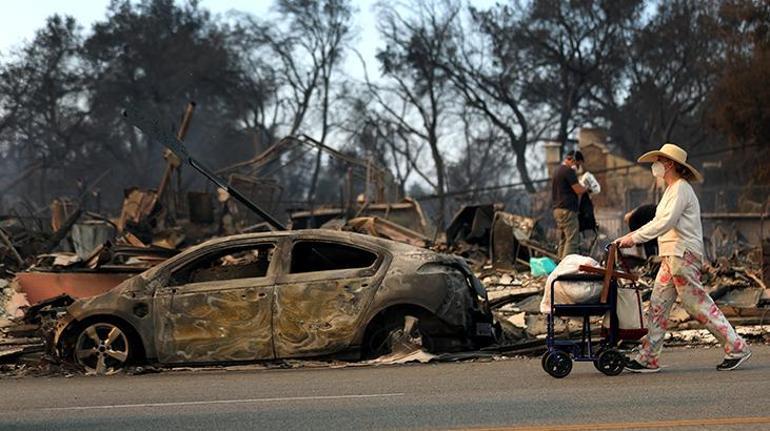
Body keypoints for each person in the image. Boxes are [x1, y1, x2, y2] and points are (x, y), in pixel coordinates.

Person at [615, 143, 751, 372]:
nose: (655, 165)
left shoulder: (680, 189)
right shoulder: (672, 190)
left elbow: (664, 222)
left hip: (682, 255)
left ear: (669, 164)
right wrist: (631, 236)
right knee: (658, 305)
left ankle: (737, 346)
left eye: (658, 160)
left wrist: (634, 238)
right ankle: (649, 357)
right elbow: (661, 223)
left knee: (697, 304)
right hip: (672, 256)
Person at [551, 150, 586, 259]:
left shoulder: (557, 170)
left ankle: (559, 265)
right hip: (567, 210)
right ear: (573, 160)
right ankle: (566, 269)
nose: (578, 167)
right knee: (572, 240)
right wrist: (587, 188)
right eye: (578, 164)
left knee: (564, 239)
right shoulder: (568, 171)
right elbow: (578, 190)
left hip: (557, 209)